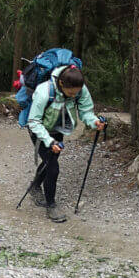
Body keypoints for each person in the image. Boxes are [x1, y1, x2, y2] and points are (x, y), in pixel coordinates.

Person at [27, 63, 105, 222]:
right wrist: (49, 141)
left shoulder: (79, 89)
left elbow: (85, 112)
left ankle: (34, 186)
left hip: (58, 130)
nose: (72, 96)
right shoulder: (44, 92)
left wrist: (94, 121)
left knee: (50, 161)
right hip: (39, 131)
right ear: (61, 83)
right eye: (70, 93)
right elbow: (33, 121)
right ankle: (51, 205)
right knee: (53, 167)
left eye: (75, 93)